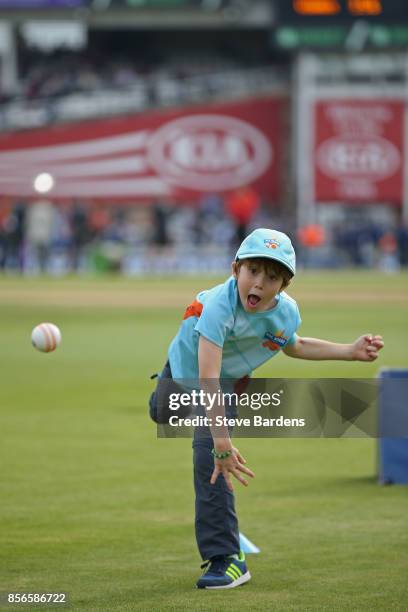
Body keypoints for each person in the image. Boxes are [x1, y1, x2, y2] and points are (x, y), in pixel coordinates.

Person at [149, 228, 384, 590]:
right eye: (253, 271)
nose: (259, 282)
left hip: (221, 385)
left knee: (208, 459)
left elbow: (295, 345)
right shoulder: (218, 306)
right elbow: (204, 374)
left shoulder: (285, 313)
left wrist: (349, 351)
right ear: (235, 270)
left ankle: (227, 559)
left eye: (272, 276)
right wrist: (223, 443)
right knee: (162, 412)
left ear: (283, 285)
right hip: (185, 368)